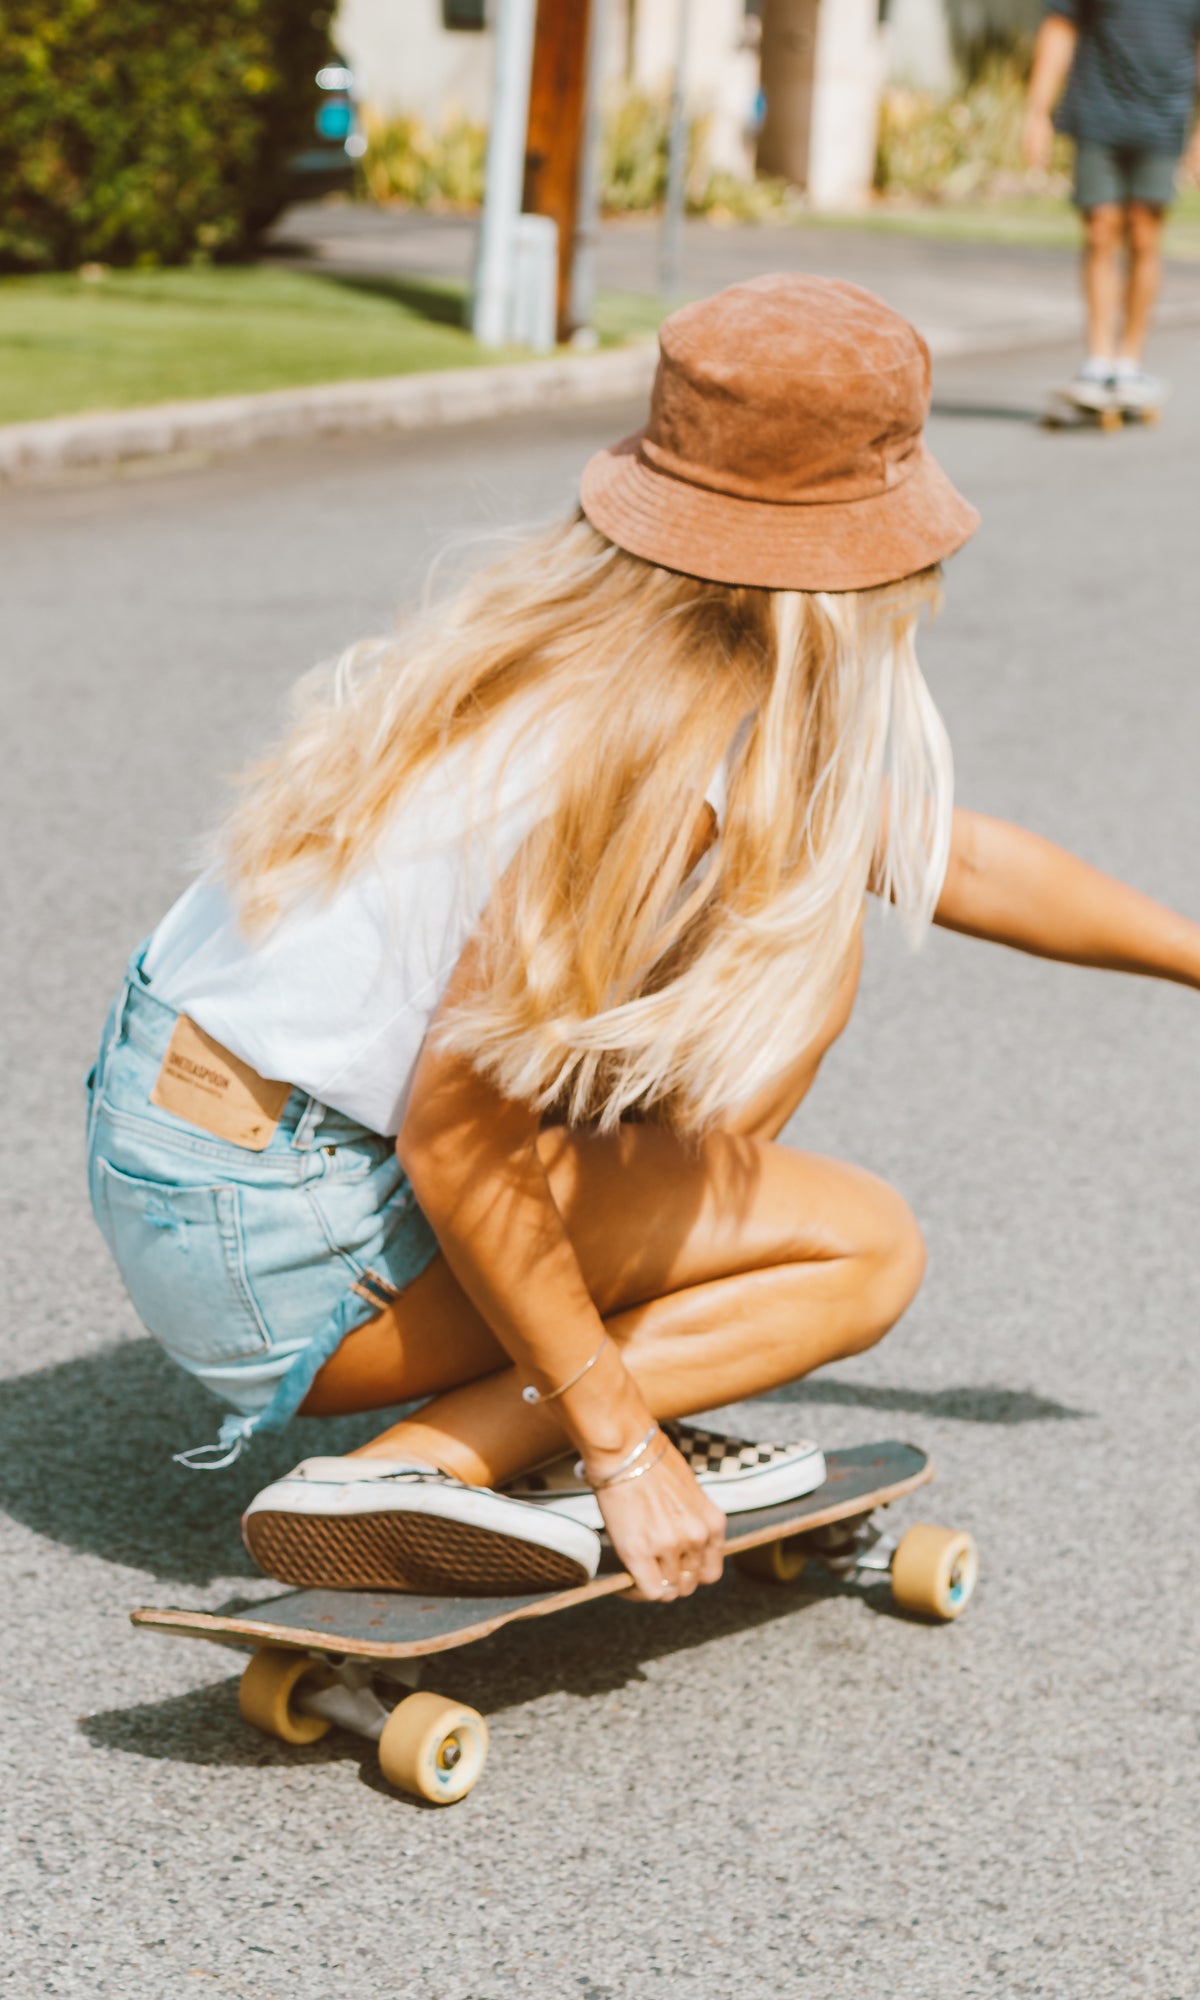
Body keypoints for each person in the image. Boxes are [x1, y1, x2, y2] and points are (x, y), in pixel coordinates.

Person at [85, 275, 1200, 1608]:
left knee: (814, 882)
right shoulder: (629, 780)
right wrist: (616, 1434)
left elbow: (950, 856)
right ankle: (437, 1460)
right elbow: (460, 1138)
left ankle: (542, 1388)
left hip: (175, 1151)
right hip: (283, 1239)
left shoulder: (548, 644)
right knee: (864, 1246)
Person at [1024, 0, 1200, 412]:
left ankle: (1129, 364)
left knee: (1144, 235)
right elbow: (1060, 28)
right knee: (1100, 230)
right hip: (1097, 113)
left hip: (1162, 119)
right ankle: (1098, 362)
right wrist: (1036, 111)